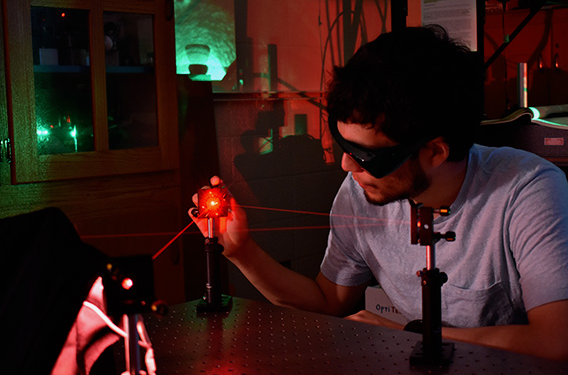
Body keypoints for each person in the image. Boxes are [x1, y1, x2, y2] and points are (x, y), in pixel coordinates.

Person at [189, 25, 568, 361]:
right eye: (343, 145)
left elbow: (556, 342)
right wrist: (241, 250)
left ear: (435, 151)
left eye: (367, 156)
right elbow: (327, 302)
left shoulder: (528, 191)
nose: (347, 167)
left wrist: (410, 338)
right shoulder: (361, 191)